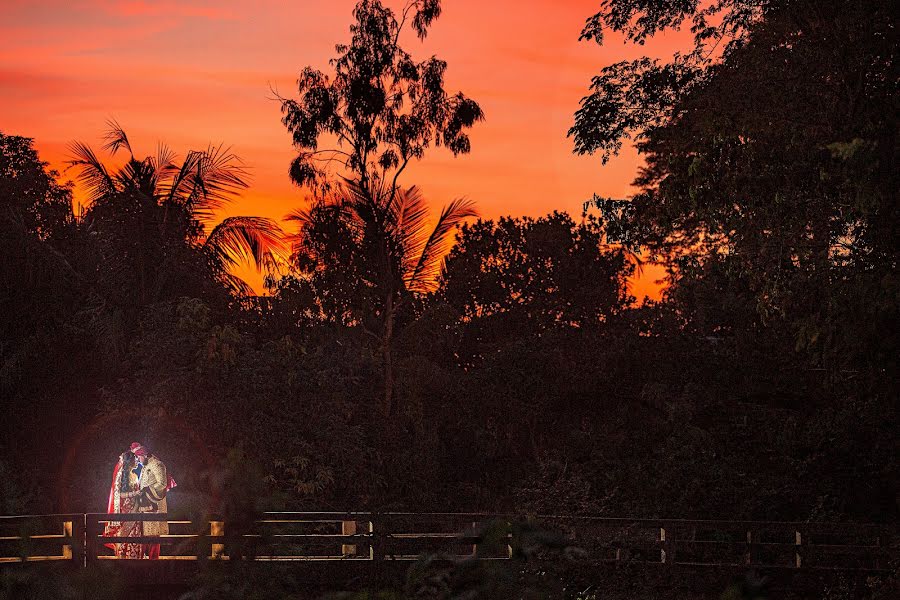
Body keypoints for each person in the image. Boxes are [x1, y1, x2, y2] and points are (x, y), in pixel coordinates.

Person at [130, 442, 176, 560]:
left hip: (155, 502)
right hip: (146, 503)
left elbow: (162, 484)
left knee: (154, 532)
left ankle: (153, 560)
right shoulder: (146, 466)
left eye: (138, 457)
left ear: (144, 455)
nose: (138, 460)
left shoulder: (157, 464)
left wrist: (146, 491)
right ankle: (144, 559)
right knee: (145, 531)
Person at [103, 450, 144, 558]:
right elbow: (119, 495)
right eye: (135, 459)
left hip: (135, 511)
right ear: (129, 461)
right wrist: (134, 493)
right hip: (126, 513)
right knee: (125, 540)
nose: (137, 461)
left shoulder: (134, 475)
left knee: (135, 537)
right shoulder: (122, 476)